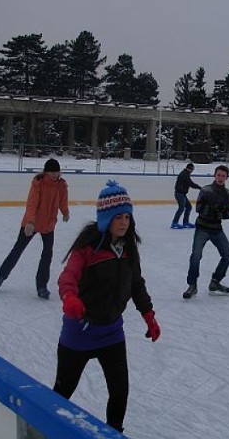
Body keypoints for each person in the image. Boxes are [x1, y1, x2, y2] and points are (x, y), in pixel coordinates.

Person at [52, 180, 160, 434]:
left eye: (127, 217)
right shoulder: (87, 249)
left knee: (120, 390)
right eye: (117, 217)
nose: (123, 222)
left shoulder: (129, 249)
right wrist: (70, 298)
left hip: (112, 332)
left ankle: (114, 432)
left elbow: (136, 284)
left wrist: (149, 315)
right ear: (105, 218)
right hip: (80, 332)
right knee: (62, 391)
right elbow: (68, 277)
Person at [0, 158, 69, 299]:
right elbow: (31, 204)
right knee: (18, 249)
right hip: (31, 224)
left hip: (49, 225)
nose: (55, 175)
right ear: (46, 172)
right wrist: (30, 222)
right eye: (52, 172)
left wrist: (65, 212)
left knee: (47, 255)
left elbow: (63, 200)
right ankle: (2, 275)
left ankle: (41, 286)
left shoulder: (61, 185)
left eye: (57, 172)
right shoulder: (38, 183)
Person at [183, 165, 229, 299]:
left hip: (217, 230)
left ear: (227, 178)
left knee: (227, 255)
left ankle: (215, 281)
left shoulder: (228, 194)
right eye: (219, 175)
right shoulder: (206, 190)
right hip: (202, 228)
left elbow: (227, 214)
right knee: (196, 256)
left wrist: (217, 212)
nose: (220, 178)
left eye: (223, 176)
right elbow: (199, 208)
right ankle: (192, 285)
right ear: (214, 175)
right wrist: (214, 210)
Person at [170, 162, 202, 229]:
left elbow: (189, 183)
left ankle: (185, 222)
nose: (192, 171)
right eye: (192, 170)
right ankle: (174, 222)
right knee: (181, 208)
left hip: (182, 194)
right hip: (180, 194)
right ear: (189, 169)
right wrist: (199, 187)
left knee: (188, 207)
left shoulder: (185, 173)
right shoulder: (184, 174)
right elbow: (190, 183)